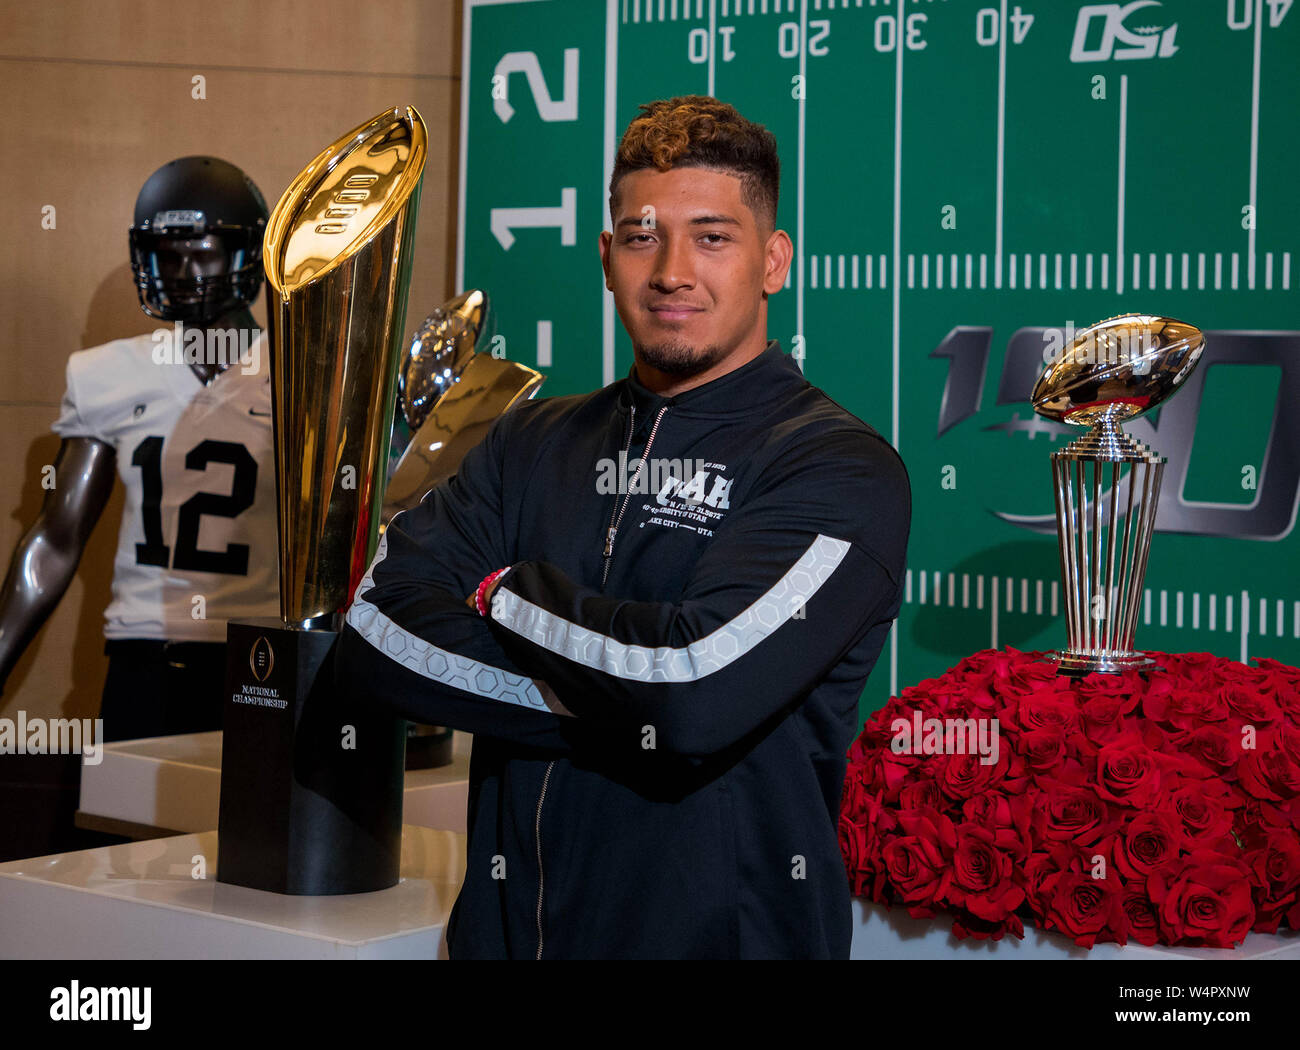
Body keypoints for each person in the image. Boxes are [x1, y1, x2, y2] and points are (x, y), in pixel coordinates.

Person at [334, 95, 911, 958]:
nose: (673, 270)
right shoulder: (530, 441)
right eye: (643, 237)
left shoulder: (839, 467)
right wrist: (616, 702)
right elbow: (376, 632)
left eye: (713, 237)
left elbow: (689, 691)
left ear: (773, 261)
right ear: (607, 257)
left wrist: (503, 595)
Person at [0, 156, 279, 742]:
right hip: (141, 655)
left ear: (249, 254)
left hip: (264, 657)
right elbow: (55, 538)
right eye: (167, 253)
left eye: (203, 251)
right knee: (127, 830)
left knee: (249, 832)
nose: (184, 270)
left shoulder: (305, 373)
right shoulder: (108, 373)